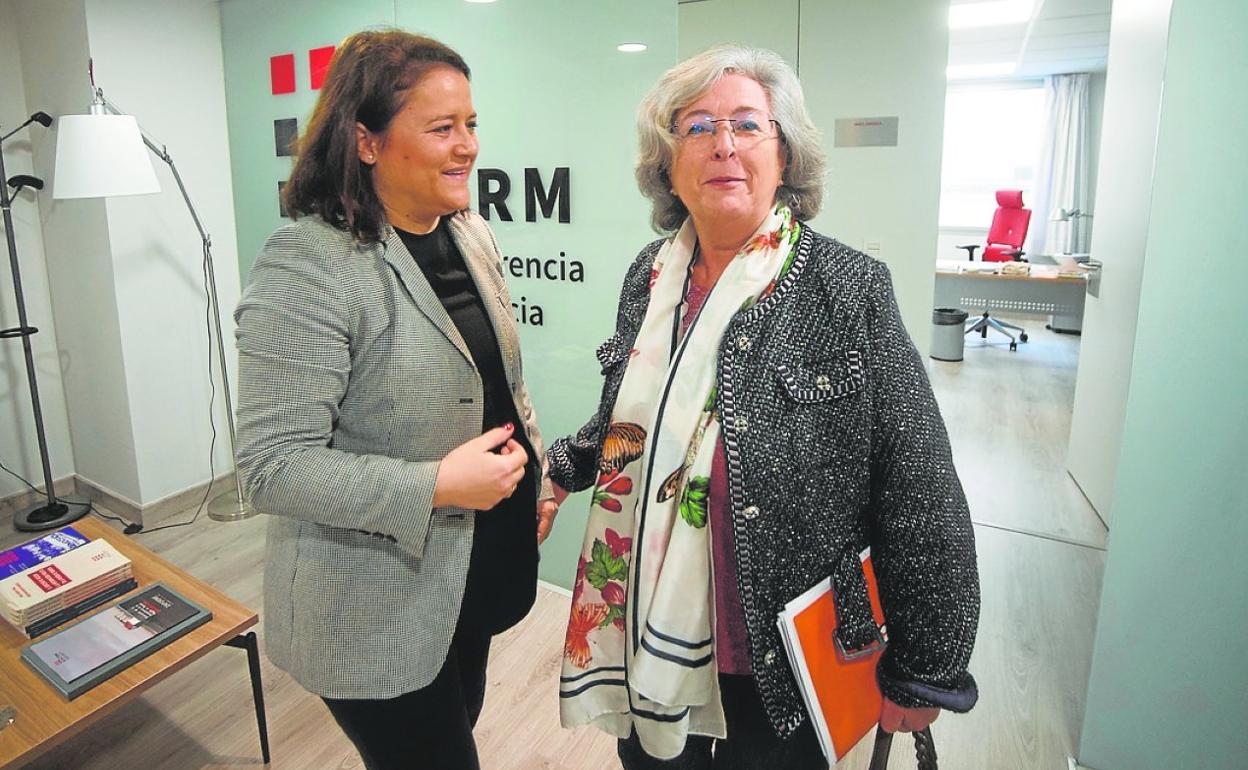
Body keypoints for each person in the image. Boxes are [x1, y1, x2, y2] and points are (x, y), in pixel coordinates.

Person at [548, 46, 980, 768]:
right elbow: (628, 415)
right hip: (646, 639)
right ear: (668, 163)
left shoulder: (849, 288)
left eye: (749, 125)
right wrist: (567, 465)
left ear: (785, 157)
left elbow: (921, 486)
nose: (724, 145)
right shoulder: (647, 280)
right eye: (698, 127)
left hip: (781, 664)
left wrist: (927, 666)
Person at [233, 30, 556, 770]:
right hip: (369, 608)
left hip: (469, 575)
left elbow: (502, 376)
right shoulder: (310, 264)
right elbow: (270, 467)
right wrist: (438, 485)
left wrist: (529, 469)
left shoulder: (468, 231)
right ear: (367, 142)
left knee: (458, 723)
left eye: (471, 124)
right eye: (442, 128)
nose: (467, 146)